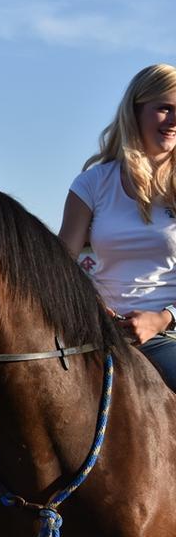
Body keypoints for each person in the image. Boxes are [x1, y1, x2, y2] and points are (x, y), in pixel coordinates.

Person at [59, 63, 176, 390]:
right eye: (164, 109)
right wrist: (93, 308)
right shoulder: (93, 183)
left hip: (166, 337)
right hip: (92, 333)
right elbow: (61, 263)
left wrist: (161, 318)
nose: (173, 121)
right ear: (135, 111)